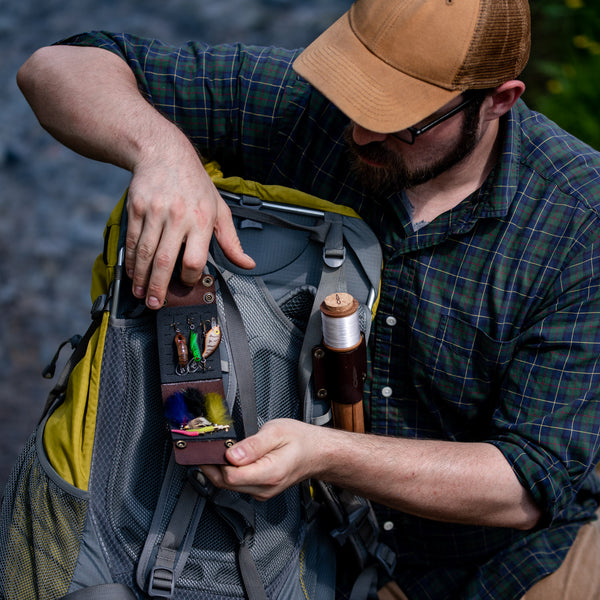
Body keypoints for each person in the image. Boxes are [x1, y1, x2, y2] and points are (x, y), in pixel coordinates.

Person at [16, 0, 600, 598]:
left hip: (507, 568)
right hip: (299, 556)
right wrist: (162, 154)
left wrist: (326, 454)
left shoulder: (580, 222)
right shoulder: (304, 107)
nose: (361, 134)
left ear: (498, 100)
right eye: (358, 99)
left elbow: (527, 485)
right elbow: (56, 66)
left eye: (401, 120)